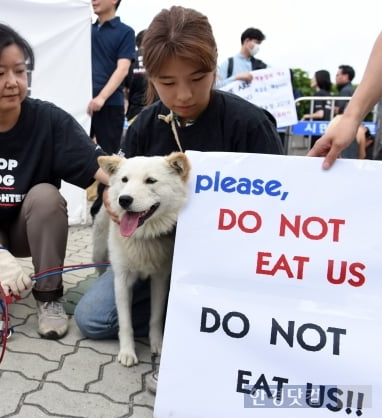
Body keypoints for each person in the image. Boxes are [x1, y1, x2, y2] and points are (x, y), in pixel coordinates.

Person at [74, 6, 284, 393]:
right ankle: (175, 315)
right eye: (167, 82)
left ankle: (190, 325)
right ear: (150, 77)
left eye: (198, 78)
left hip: (224, 262)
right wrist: (111, 198)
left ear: (215, 66)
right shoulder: (143, 129)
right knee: (93, 319)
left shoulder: (249, 125)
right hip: (150, 254)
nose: (183, 94)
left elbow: (279, 208)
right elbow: (117, 185)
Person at [0, 22, 108, 340]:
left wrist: (135, 180)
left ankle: (49, 296)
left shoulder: (49, 121)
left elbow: (101, 168)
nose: (12, 82)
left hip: (27, 229)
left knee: (46, 195)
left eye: (19, 70)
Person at [88, 0, 135, 218]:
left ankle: (102, 208)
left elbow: (123, 68)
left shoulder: (125, 32)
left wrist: (101, 97)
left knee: (109, 159)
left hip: (110, 105)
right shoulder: (83, 29)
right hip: (81, 105)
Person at [308, 31, 382, 169]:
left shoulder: (345, 91)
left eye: (338, 74)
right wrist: (350, 119)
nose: (336, 78)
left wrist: (350, 118)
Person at [300, 70, 332, 149]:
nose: (311, 79)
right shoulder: (328, 94)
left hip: (317, 132)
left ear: (319, 79)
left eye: (314, 77)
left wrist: (306, 116)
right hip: (326, 130)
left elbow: (320, 114)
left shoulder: (319, 94)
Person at [125, 29, 147, 122]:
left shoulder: (128, 59)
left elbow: (124, 89)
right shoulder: (158, 57)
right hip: (158, 110)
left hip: (134, 111)